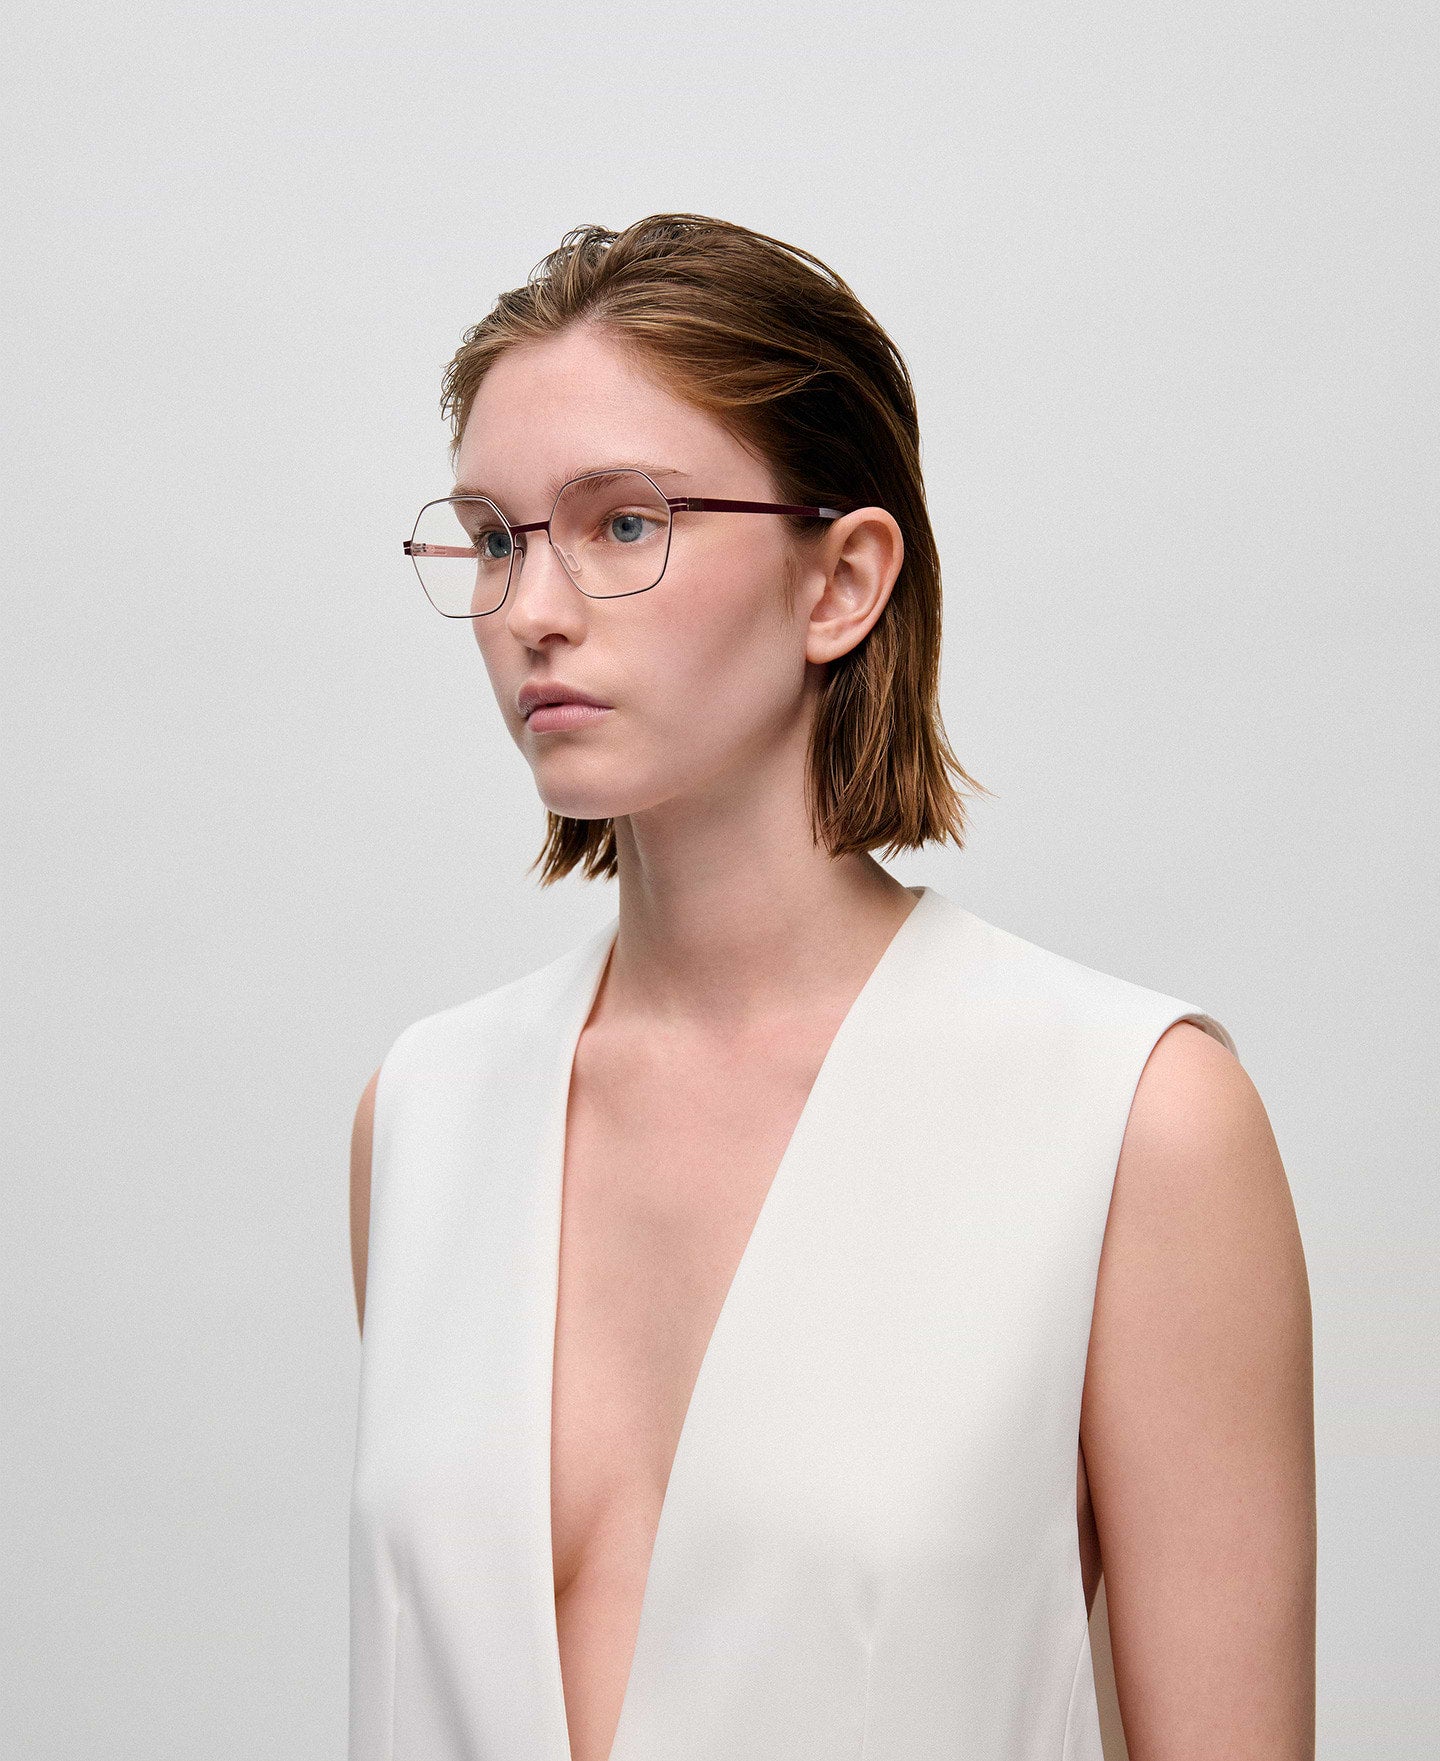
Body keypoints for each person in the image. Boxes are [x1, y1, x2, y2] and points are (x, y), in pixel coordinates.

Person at [348, 214, 1315, 1761]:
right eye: (496, 536)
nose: (530, 609)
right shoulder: (426, 1115)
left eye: (623, 524)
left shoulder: (1135, 1121)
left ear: (842, 581)